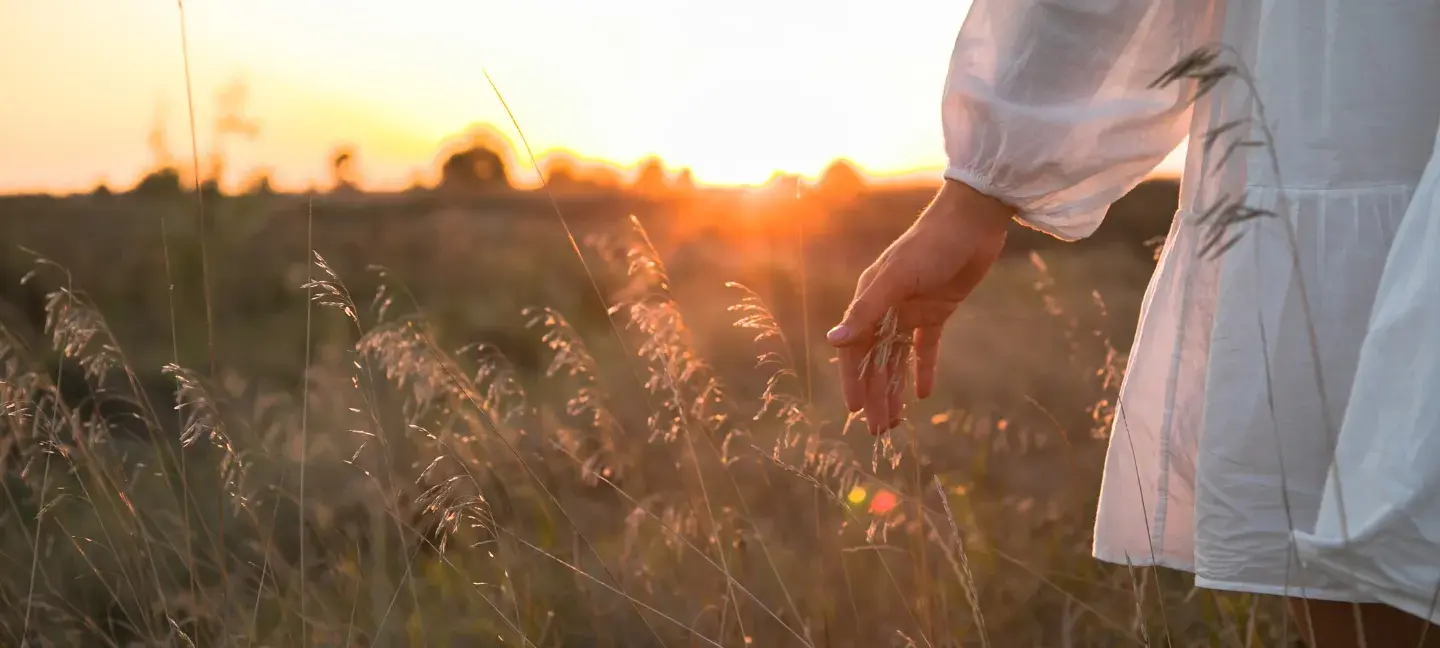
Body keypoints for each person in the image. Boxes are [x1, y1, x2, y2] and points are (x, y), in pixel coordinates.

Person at [826, 1, 1440, 646]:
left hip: (1355, 114)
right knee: (1370, 593)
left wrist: (979, 190)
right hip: (1362, 103)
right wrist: (975, 195)